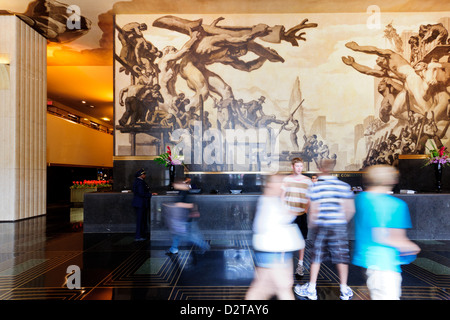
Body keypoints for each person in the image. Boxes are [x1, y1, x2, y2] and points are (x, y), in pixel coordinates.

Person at [352, 165, 420, 300]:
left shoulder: (361, 199)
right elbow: (384, 237)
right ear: (390, 181)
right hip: (385, 266)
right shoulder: (395, 205)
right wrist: (413, 247)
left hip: (366, 261)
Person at [294, 159, 355, 300]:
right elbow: (350, 209)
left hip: (321, 226)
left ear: (320, 169)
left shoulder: (315, 187)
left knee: (316, 257)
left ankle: (311, 289)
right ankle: (344, 290)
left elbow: (313, 210)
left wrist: (312, 225)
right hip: (338, 226)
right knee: (341, 258)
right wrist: (340, 222)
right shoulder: (343, 186)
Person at [246, 174, 303, 300]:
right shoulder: (269, 202)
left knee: (263, 289)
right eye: (280, 182)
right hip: (274, 252)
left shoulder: (269, 200)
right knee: (282, 288)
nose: (284, 185)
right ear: (270, 185)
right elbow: (284, 217)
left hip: (270, 252)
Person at [281, 157, 312, 277]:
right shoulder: (287, 179)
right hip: (289, 215)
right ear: (292, 167)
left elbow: (309, 197)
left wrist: (306, 209)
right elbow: (282, 196)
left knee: (301, 241)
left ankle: (300, 264)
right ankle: (282, 263)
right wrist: (285, 209)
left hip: (301, 215)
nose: (299, 168)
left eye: (301, 166)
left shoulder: (308, 181)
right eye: (297, 166)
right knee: (284, 239)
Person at [165, 178, 210, 255]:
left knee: (189, 235)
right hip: (182, 217)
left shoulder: (184, 193)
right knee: (177, 234)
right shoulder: (183, 192)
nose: (175, 185)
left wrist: (174, 205)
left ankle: (204, 245)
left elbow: (189, 205)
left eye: (177, 183)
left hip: (184, 218)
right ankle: (173, 249)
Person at [132, 168, 152, 241]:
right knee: (140, 220)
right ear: (141, 175)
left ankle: (141, 235)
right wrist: (150, 194)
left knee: (141, 220)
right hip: (140, 203)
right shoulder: (140, 182)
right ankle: (138, 236)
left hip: (140, 203)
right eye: (144, 174)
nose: (145, 175)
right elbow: (141, 193)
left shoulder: (139, 181)